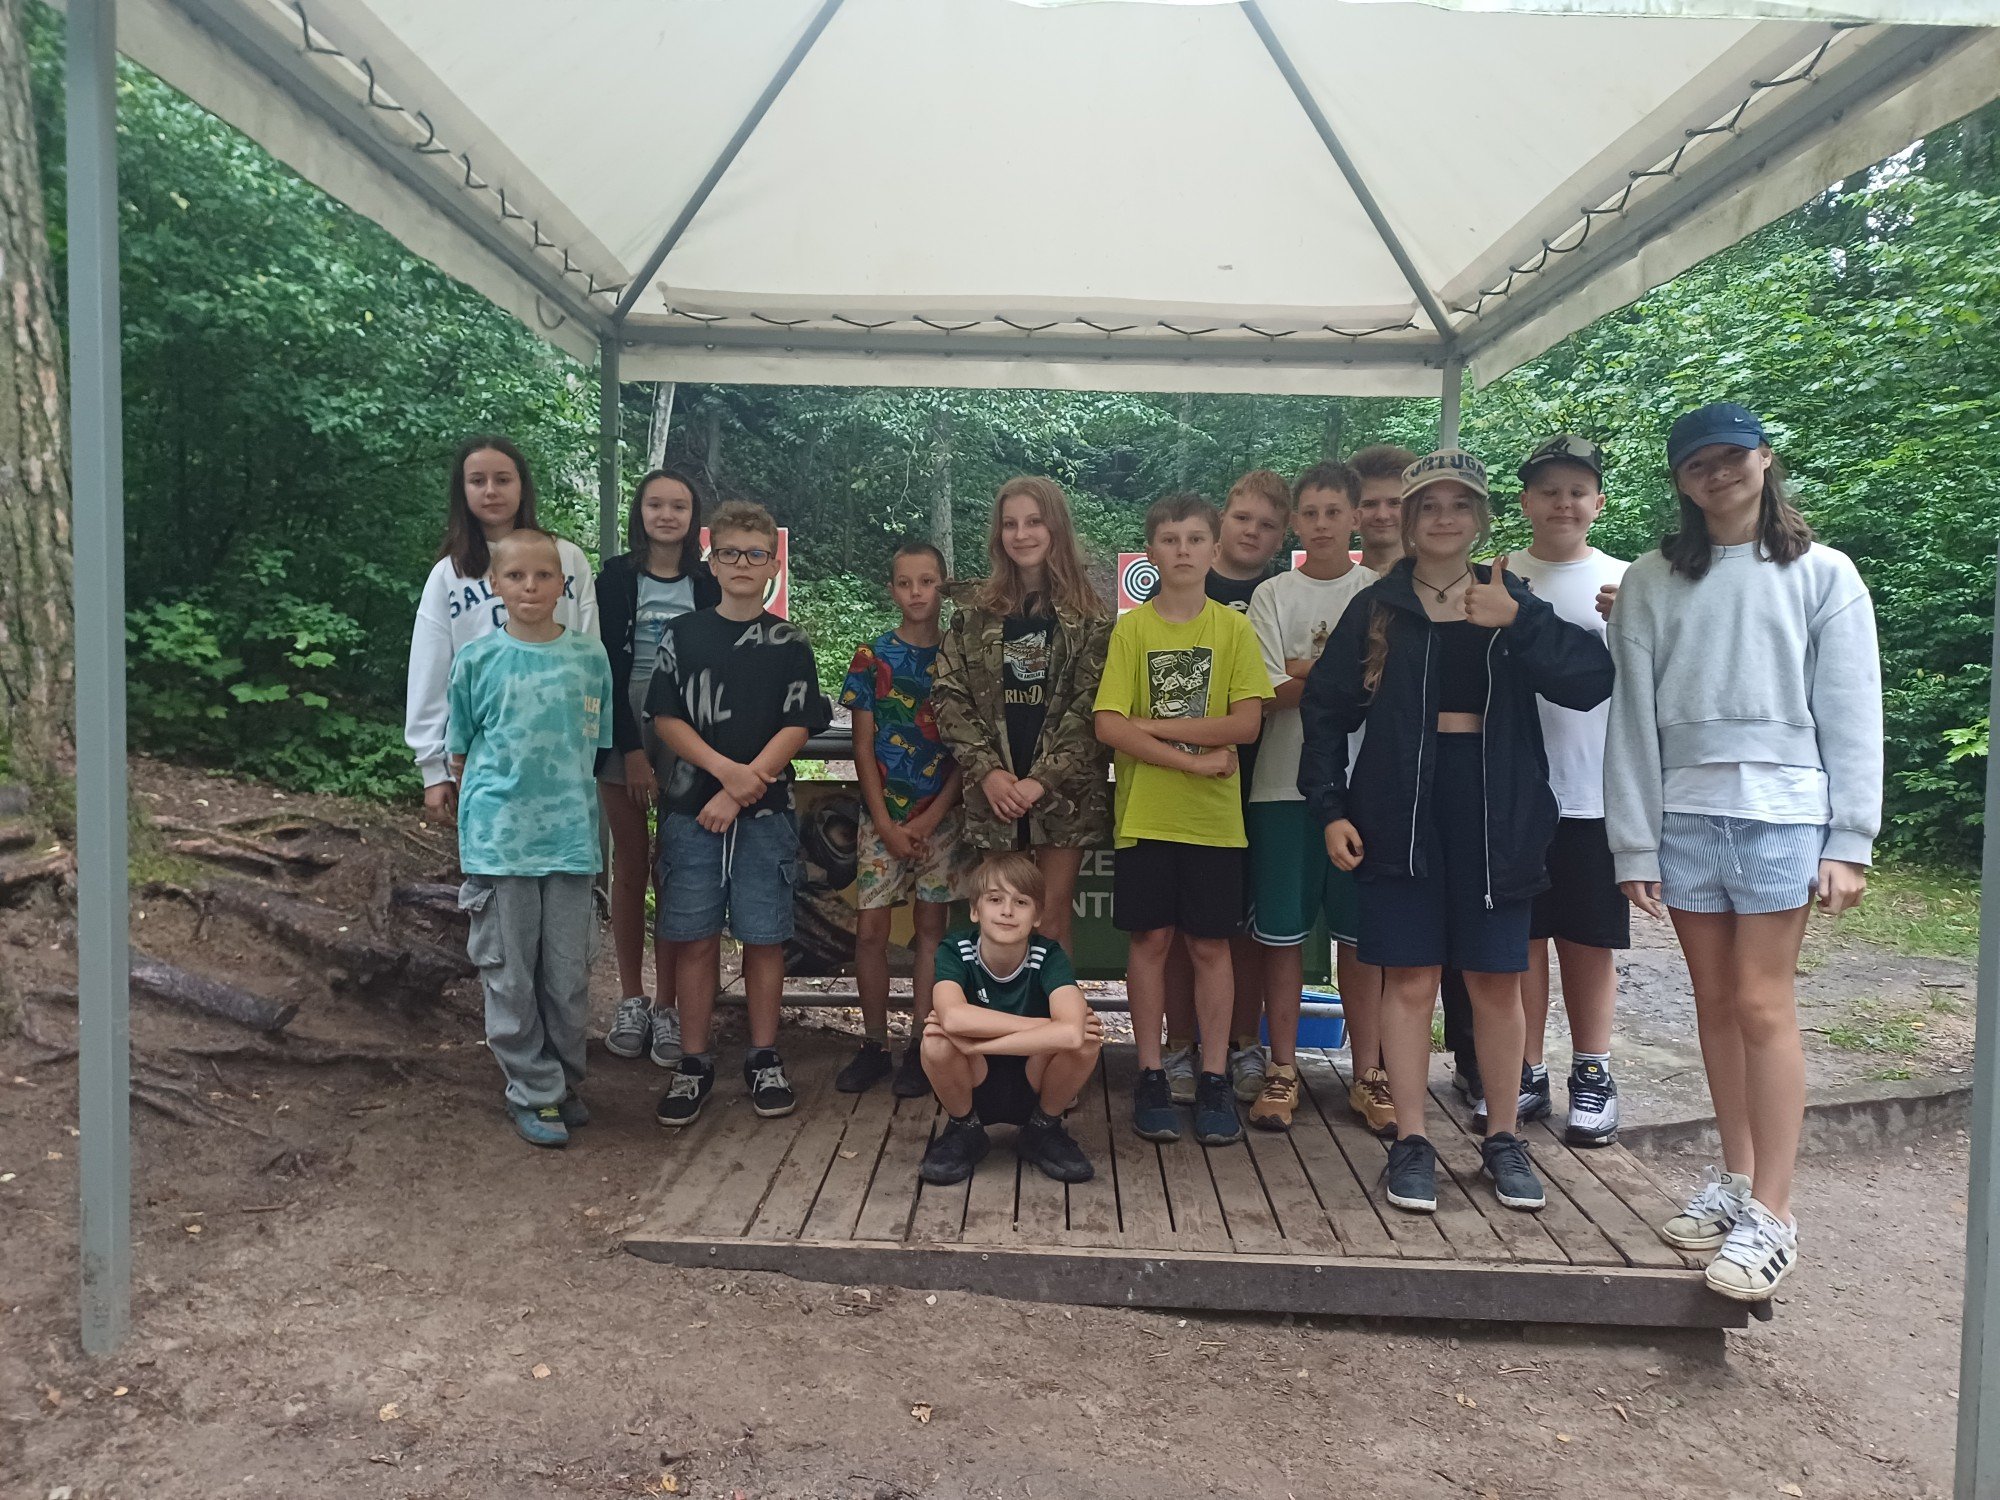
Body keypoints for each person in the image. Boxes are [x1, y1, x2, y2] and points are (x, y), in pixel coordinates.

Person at [1605, 403, 1880, 1302]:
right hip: (1684, 819)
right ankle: (1736, 1178)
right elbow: (1631, 721)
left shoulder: (1823, 573)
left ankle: (1775, 1214)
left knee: (1764, 1004)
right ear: (1680, 482)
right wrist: (1634, 842)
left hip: (1783, 817)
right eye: (1698, 463)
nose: (1717, 472)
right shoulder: (1651, 579)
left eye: (1731, 456)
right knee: (1716, 1005)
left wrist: (1850, 840)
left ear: (1765, 459)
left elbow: (1851, 709)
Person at [1299, 450, 1612, 1216]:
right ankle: (1410, 1141)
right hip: (1399, 811)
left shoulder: (1510, 594)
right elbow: (1325, 711)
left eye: (1460, 504)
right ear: (1408, 519)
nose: (1444, 517)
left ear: (1480, 517)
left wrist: (1523, 621)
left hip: (1495, 809)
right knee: (1408, 979)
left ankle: (1503, 1138)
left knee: (1495, 980)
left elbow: (1590, 681)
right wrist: (1331, 809)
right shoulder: (1377, 606)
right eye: (1429, 505)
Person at [1095, 493, 1273, 1147]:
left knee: (1210, 946)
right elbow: (1108, 725)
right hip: (1146, 814)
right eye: (1170, 540)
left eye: (1195, 539)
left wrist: (1149, 726)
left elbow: (1245, 723)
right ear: (1151, 552)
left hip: (1214, 824)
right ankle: (1150, 1073)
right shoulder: (1132, 630)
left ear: (1214, 549)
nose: (1183, 551)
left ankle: (1216, 1075)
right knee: (1150, 942)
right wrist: (1193, 762)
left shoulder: (1233, 630)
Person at [648, 501, 828, 1128]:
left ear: (773, 564)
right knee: (694, 937)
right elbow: (665, 717)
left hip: (765, 813)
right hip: (690, 810)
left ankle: (763, 1056)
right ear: (712, 561)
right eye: (730, 553)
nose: (743, 563)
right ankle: (694, 1061)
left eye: (755, 554)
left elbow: (799, 722)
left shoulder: (790, 642)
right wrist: (724, 773)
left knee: (765, 937)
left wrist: (743, 787)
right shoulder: (683, 634)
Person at [448, 529, 613, 1148]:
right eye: (516, 576)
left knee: (567, 975)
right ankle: (533, 1091)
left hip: (571, 842)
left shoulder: (589, 658)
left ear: (562, 584)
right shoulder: (477, 660)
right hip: (501, 845)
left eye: (544, 575)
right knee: (511, 975)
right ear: (496, 584)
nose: (530, 587)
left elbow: (597, 747)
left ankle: (563, 1082)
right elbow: (461, 751)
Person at [1244, 462, 1382, 1131]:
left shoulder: (1381, 592)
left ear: (1355, 516)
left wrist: (1305, 669)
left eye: (1334, 512)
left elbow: (1388, 687)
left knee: (1361, 940)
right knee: (1281, 938)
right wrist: (1344, 674)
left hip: (1366, 788)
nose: (1322, 524)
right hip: (1280, 786)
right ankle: (1281, 1068)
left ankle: (1370, 1074)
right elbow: (1267, 692)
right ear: (1294, 521)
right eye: (1310, 512)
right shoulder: (1271, 595)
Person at [1503, 436, 1631, 1147]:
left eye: (1577, 491)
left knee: (1588, 938)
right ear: (1525, 502)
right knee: (1521, 939)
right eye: (1548, 491)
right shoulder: (1497, 575)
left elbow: (1652, 684)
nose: (1563, 503)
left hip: (1594, 791)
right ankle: (1524, 1067)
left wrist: (1631, 625)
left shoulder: (1628, 581)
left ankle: (1593, 1070)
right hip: (1516, 791)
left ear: (1598, 503)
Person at [933, 476, 1112, 954]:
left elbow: (1090, 706)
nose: (1022, 534)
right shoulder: (972, 614)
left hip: (1065, 792)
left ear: (1056, 528)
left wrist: (1041, 781)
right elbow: (948, 695)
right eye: (1010, 524)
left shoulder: (1091, 619)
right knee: (1001, 920)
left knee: (1051, 921)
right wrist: (989, 772)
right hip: (994, 792)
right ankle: (998, 1008)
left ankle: (1053, 1007)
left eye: (1034, 522)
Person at [1161, 470, 1291, 1109]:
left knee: (1241, 926)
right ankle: (1180, 1043)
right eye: (1242, 518)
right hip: (1182, 780)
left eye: (1267, 525)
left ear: (1282, 537)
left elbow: (1270, 696)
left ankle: (1242, 1043)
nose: (1252, 532)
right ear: (1220, 523)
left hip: (1264, 780)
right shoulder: (1186, 583)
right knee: (1178, 926)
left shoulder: (1282, 591)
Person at [836, 539, 972, 1097]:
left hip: (943, 817)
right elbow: (862, 747)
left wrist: (932, 816)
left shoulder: (961, 657)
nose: (916, 593)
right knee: (870, 930)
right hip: (881, 819)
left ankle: (922, 1043)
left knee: (931, 930)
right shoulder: (871, 657)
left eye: (927, 582)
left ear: (944, 585)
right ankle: (873, 1044)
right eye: (905, 582)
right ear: (891, 589)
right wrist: (886, 824)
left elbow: (968, 750)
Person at [597, 467, 720, 1073]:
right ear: (640, 512)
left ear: (693, 517)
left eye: (678, 506)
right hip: (622, 721)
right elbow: (605, 667)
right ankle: (632, 999)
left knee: (676, 864)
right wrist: (632, 750)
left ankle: (669, 1005)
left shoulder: (706, 582)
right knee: (631, 862)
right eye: (655, 505)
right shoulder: (616, 577)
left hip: (688, 725)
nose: (666, 515)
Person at [408, 436, 598, 822]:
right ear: (462, 491)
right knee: (493, 852)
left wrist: (588, 743)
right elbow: (430, 670)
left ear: (522, 486)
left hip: (559, 747)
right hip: (482, 754)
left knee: (564, 852)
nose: (491, 491)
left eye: (503, 479)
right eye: (478, 481)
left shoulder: (566, 558)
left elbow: (590, 653)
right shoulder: (449, 573)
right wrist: (433, 768)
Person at [918, 853, 1106, 1186]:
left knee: (1087, 1042)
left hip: (1033, 1078)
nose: (1007, 911)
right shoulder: (956, 949)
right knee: (936, 1042)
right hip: (974, 1079)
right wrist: (1047, 1026)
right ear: (975, 910)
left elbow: (1074, 1036)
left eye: (1021, 902)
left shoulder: (1049, 955)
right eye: (995, 899)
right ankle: (965, 1129)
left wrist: (977, 1044)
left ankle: (1042, 1129)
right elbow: (953, 1017)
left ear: (1038, 916)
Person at [1349, 444, 1419, 575]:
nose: (1382, 515)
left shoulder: (1439, 582)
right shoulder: (1333, 584)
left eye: (1394, 503)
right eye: (1369, 504)